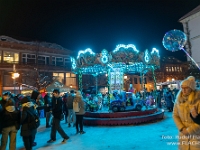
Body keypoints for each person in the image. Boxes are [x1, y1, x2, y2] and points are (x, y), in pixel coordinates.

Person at [173, 76, 200, 150]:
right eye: (182, 87)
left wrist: (189, 131)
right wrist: (181, 128)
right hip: (183, 135)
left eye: (186, 88)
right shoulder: (178, 100)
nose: (183, 90)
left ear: (191, 88)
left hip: (196, 136)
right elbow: (175, 115)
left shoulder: (198, 100)